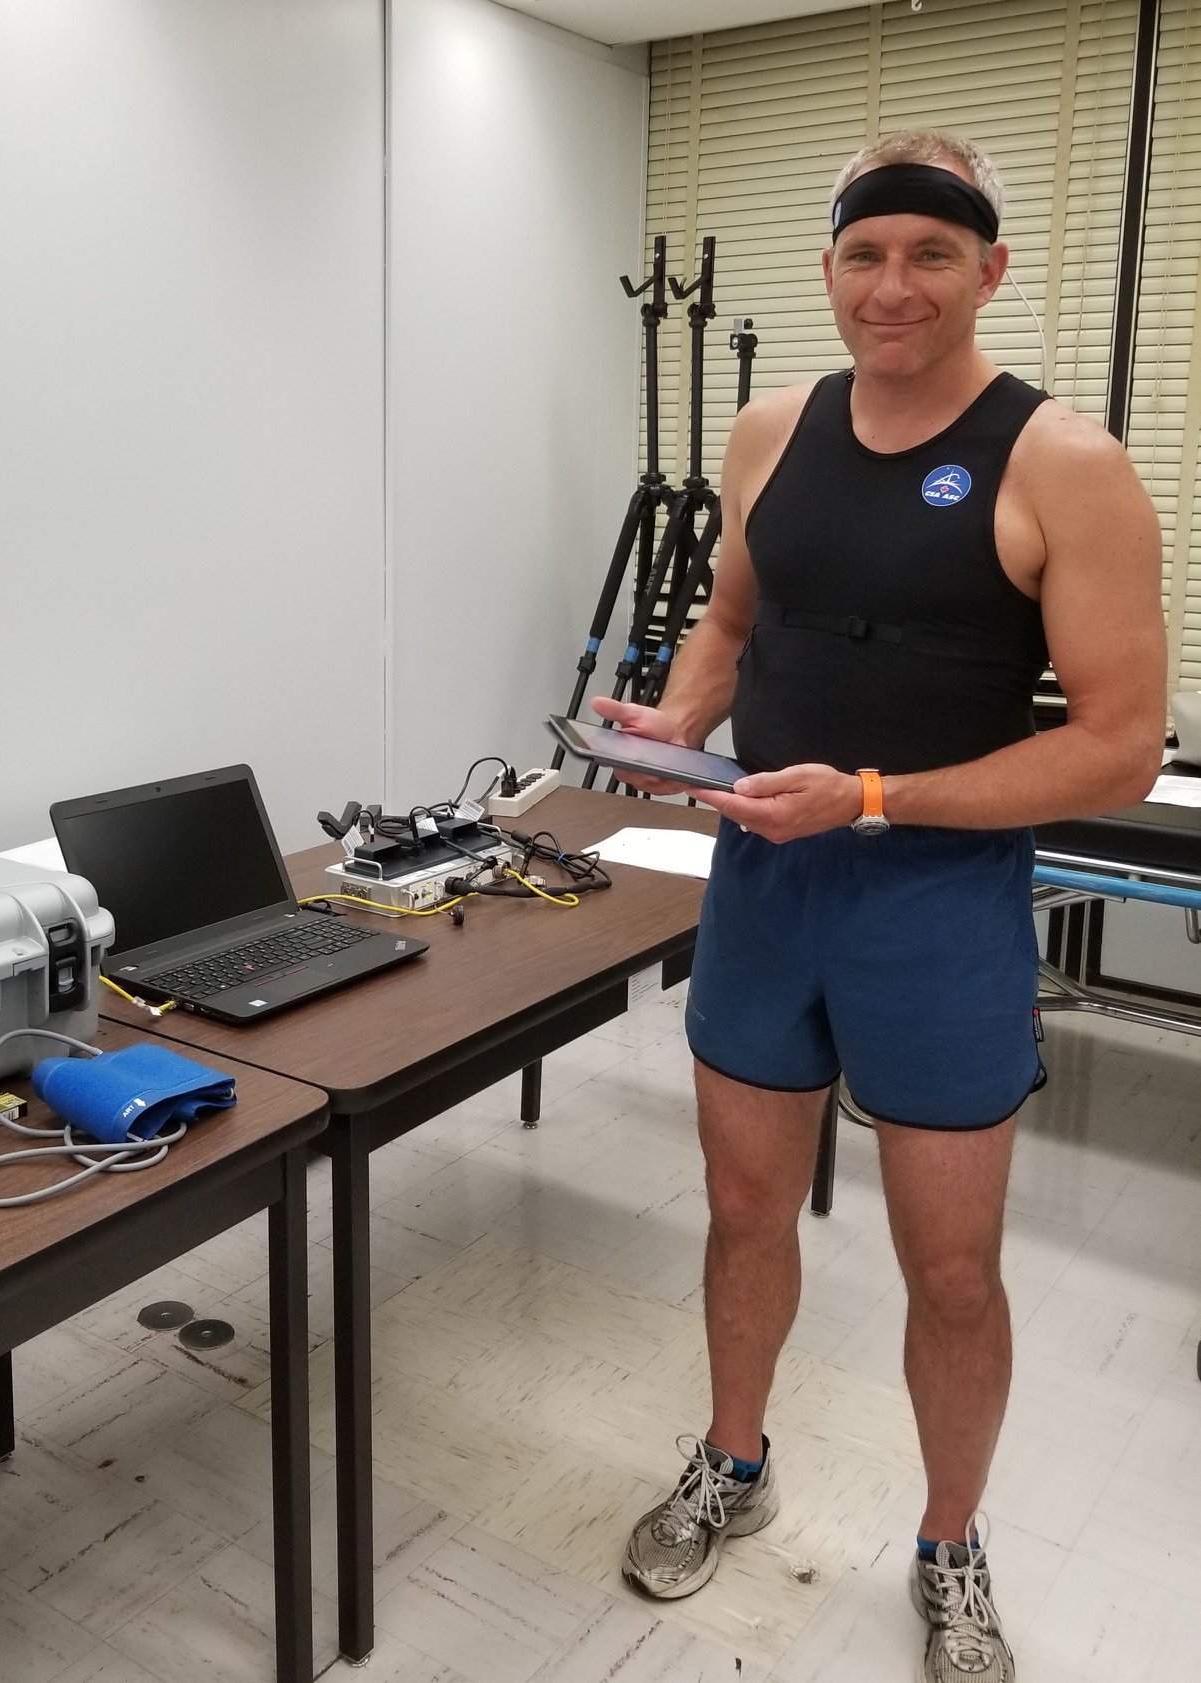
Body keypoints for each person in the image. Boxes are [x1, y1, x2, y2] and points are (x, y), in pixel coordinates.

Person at [596, 130, 1165, 1683]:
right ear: (829, 268)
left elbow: (1114, 744)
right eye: (864, 254)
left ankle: (949, 1546)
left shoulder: (1064, 462)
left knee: (954, 1273)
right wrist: (674, 721)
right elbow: (731, 618)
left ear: (987, 269)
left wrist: (872, 796)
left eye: (929, 254)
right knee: (738, 1211)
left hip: (933, 903)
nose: (891, 286)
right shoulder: (770, 427)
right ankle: (732, 1461)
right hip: (767, 888)